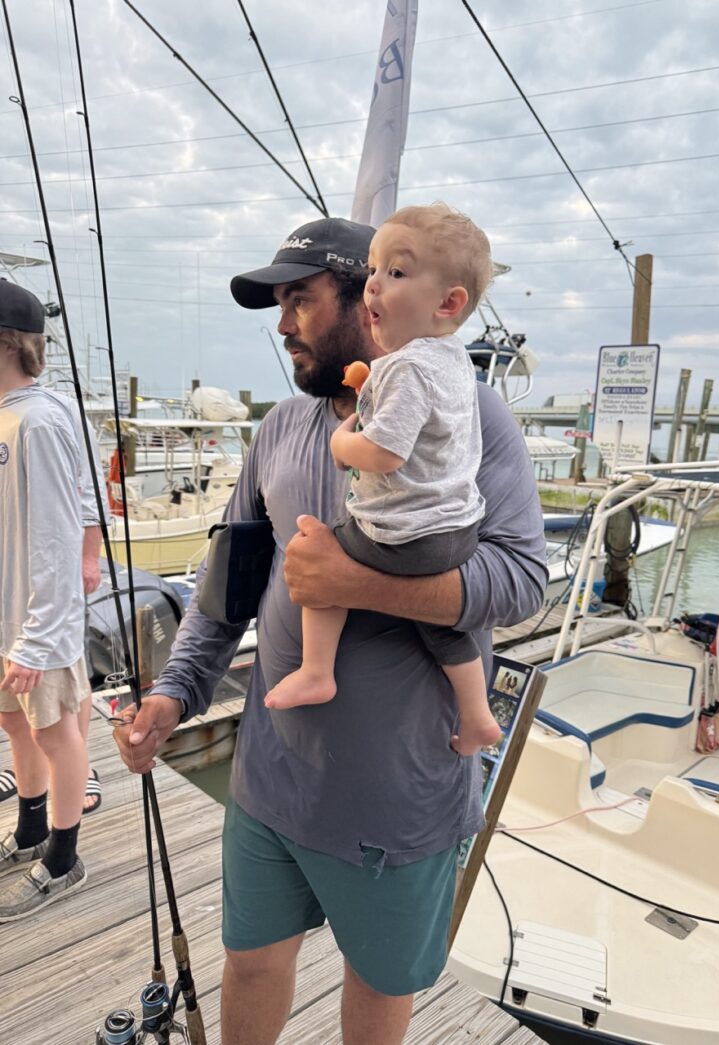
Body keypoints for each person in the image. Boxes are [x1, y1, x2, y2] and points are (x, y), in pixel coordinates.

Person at [113, 216, 547, 1045]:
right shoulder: (279, 426)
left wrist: (358, 581)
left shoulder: (475, 414)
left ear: (368, 301)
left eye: (301, 301)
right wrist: (172, 695)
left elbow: (522, 580)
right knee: (249, 963)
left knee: (375, 992)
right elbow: (228, 590)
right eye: (279, 305)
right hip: (270, 780)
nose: (283, 327)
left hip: (398, 801)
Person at [264, 204, 501, 756]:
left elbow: (384, 452)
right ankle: (478, 714)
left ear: (448, 302)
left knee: (318, 554)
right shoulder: (448, 363)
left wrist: (341, 444)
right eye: (374, 271)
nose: (376, 286)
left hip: (404, 533)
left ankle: (317, 669)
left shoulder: (407, 369)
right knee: (444, 629)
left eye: (300, 301)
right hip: (451, 529)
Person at [0, 280, 91, 919]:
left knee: (55, 732)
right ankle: (30, 827)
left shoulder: (39, 421)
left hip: (38, 624)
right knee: (14, 722)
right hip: (6, 616)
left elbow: (58, 535)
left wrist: (35, 637)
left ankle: (64, 856)